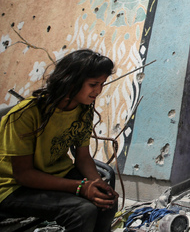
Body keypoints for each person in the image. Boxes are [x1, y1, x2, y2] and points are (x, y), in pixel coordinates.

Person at [0, 49, 119, 232]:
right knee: (82, 212)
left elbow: (83, 157)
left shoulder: (82, 110)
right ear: (71, 81)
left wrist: (97, 184)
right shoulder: (26, 114)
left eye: (102, 84)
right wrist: (80, 187)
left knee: (106, 201)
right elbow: (23, 175)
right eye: (93, 84)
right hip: (13, 187)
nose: (98, 91)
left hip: (57, 174)